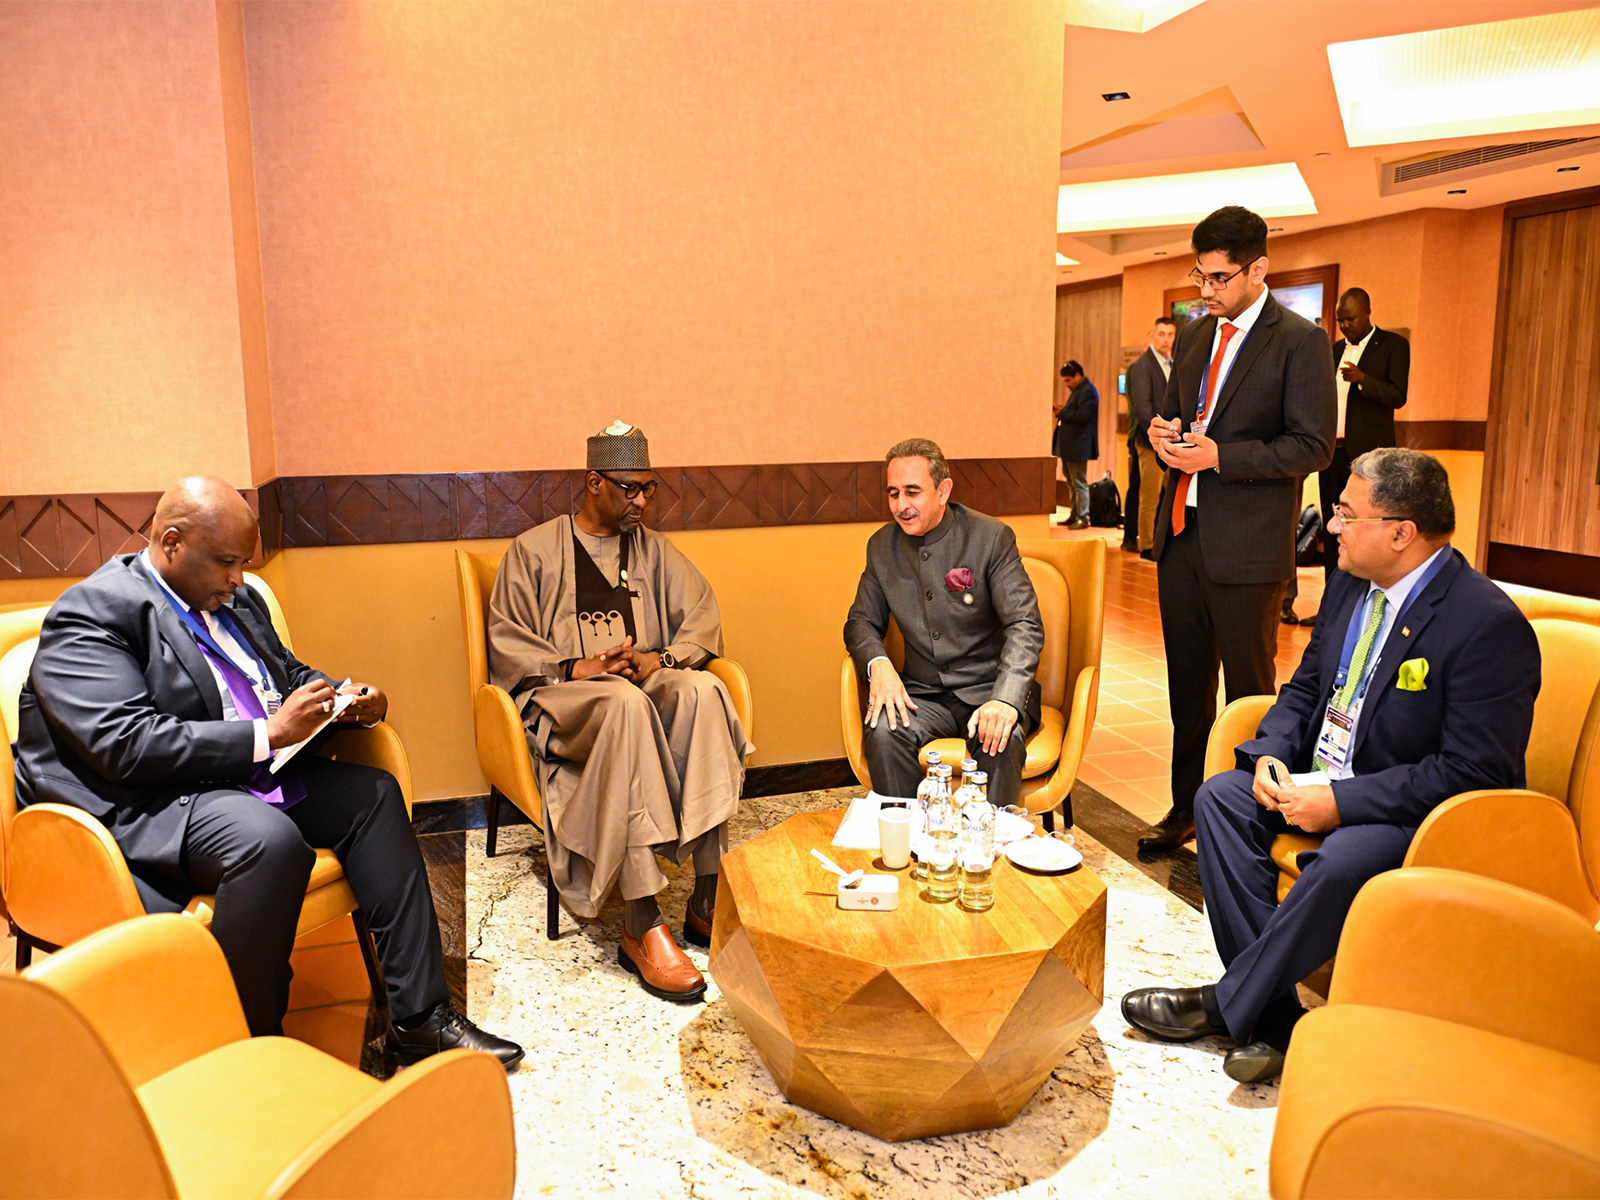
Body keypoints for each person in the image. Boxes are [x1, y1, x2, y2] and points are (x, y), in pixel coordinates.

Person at [14, 477, 523, 1068]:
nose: (238, 578)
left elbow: (286, 674)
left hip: (241, 775)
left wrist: (346, 699)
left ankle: (419, 1019)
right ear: (172, 542)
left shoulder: (239, 598)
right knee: (267, 842)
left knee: (374, 795)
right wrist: (269, 734)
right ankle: (246, 1045)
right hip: (147, 796)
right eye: (226, 562)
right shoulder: (95, 611)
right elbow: (123, 745)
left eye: (243, 562)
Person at [1122, 449, 1538, 1083]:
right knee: (1221, 801)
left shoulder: (1485, 625)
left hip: (1409, 809)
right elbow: (1304, 689)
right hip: (1319, 776)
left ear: (1401, 533)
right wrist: (1269, 756)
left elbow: (1472, 772)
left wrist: (1342, 804)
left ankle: (1225, 1003)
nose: (1332, 525)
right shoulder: (1348, 584)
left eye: (1346, 512)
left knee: (1342, 857)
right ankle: (1277, 1019)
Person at [488, 420, 751, 1004]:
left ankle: (706, 900)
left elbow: (702, 618)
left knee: (704, 693)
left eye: (648, 489)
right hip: (570, 705)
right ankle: (639, 921)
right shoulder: (532, 551)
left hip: (634, 692)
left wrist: (658, 657)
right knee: (625, 703)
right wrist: (574, 668)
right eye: (629, 489)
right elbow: (507, 643)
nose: (640, 501)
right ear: (593, 482)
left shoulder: (655, 551)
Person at [1140, 205, 1336, 852]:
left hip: (1249, 551)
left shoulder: (1299, 340)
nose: (1205, 291)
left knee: (1249, 695)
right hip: (1182, 539)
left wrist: (1223, 456)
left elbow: (1312, 446)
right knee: (1186, 690)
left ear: (1259, 269)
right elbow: (1175, 415)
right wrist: (1162, 433)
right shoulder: (1196, 334)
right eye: (1200, 276)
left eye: (1219, 278)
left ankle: (1252, 822)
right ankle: (1185, 808)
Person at [845, 438, 1044, 809]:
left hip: (989, 688)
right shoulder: (881, 547)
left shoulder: (990, 538)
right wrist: (879, 665)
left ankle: (988, 852)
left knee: (998, 737)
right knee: (884, 733)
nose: (901, 506)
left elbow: (1024, 624)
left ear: (943, 490)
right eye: (893, 493)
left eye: (912, 492)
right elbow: (860, 622)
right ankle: (907, 846)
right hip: (924, 696)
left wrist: (1004, 700)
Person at [1300, 287, 1411, 626]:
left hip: (1369, 459)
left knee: (1364, 533)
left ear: (1368, 312)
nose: (1345, 326)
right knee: (1336, 530)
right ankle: (1332, 609)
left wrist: (1363, 380)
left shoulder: (1393, 346)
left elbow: (1397, 395)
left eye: (1350, 319)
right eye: (1340, 321)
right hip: (1332, 453)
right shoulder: (1333, 350)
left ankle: (1366, 610)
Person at [1125, 317, 1176, 559]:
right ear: (1152, 336)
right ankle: (1146, 545)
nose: (1165, 339)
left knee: (1171, 495)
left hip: (1173, 442)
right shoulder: (1143, 366)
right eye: (1161, 334)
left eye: (1170, 334)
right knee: (1149, 496)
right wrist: (1160, 434)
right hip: (1149, 442)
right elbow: (1143, 408)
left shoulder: (1173, 364)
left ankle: (1163, 542)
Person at [1053, 361, 1099, 530]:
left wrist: (1062, 413)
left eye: (1068, 380)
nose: (1067, 384)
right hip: (1071, 445)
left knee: (1079, 482)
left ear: (1078, 375)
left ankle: (1083, 516)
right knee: (1071, 481)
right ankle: (1074, 514)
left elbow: (1082, 416)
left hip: (1079, 445)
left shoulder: (1087, 391)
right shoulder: (1079, 390)